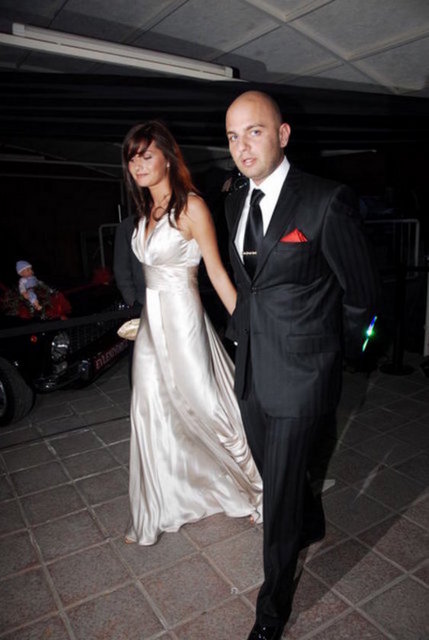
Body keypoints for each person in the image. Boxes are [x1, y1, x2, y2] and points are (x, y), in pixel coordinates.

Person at [224, 91, 379, 640]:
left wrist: (342, 356)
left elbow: (363, 296)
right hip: (252, 369)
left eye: (255, 131)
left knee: (279, 498)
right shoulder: (233, 200)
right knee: (274, 472)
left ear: (283, 134)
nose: (243, 147)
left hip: (302, 375)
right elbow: (250, 285)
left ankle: (271, 612)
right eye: (233, 136)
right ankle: (311, 519)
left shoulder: (324, 200)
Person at [121, 120, 262, 546]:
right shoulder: (145, 213)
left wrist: (251, 330)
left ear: (167, 158)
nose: (138, 165)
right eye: (132, 158)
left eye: (146, 155)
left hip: (183, 320)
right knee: (149, 409)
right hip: (152, 324)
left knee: (208, 405)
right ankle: (158, 508)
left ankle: (260, 484)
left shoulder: (192, 207)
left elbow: (217, 273)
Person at [113, 215, 146, 383]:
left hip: (174, 301)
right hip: (141, 303)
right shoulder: (127, 226)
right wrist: (132, 300)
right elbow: (121, 266)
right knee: (142, 360)